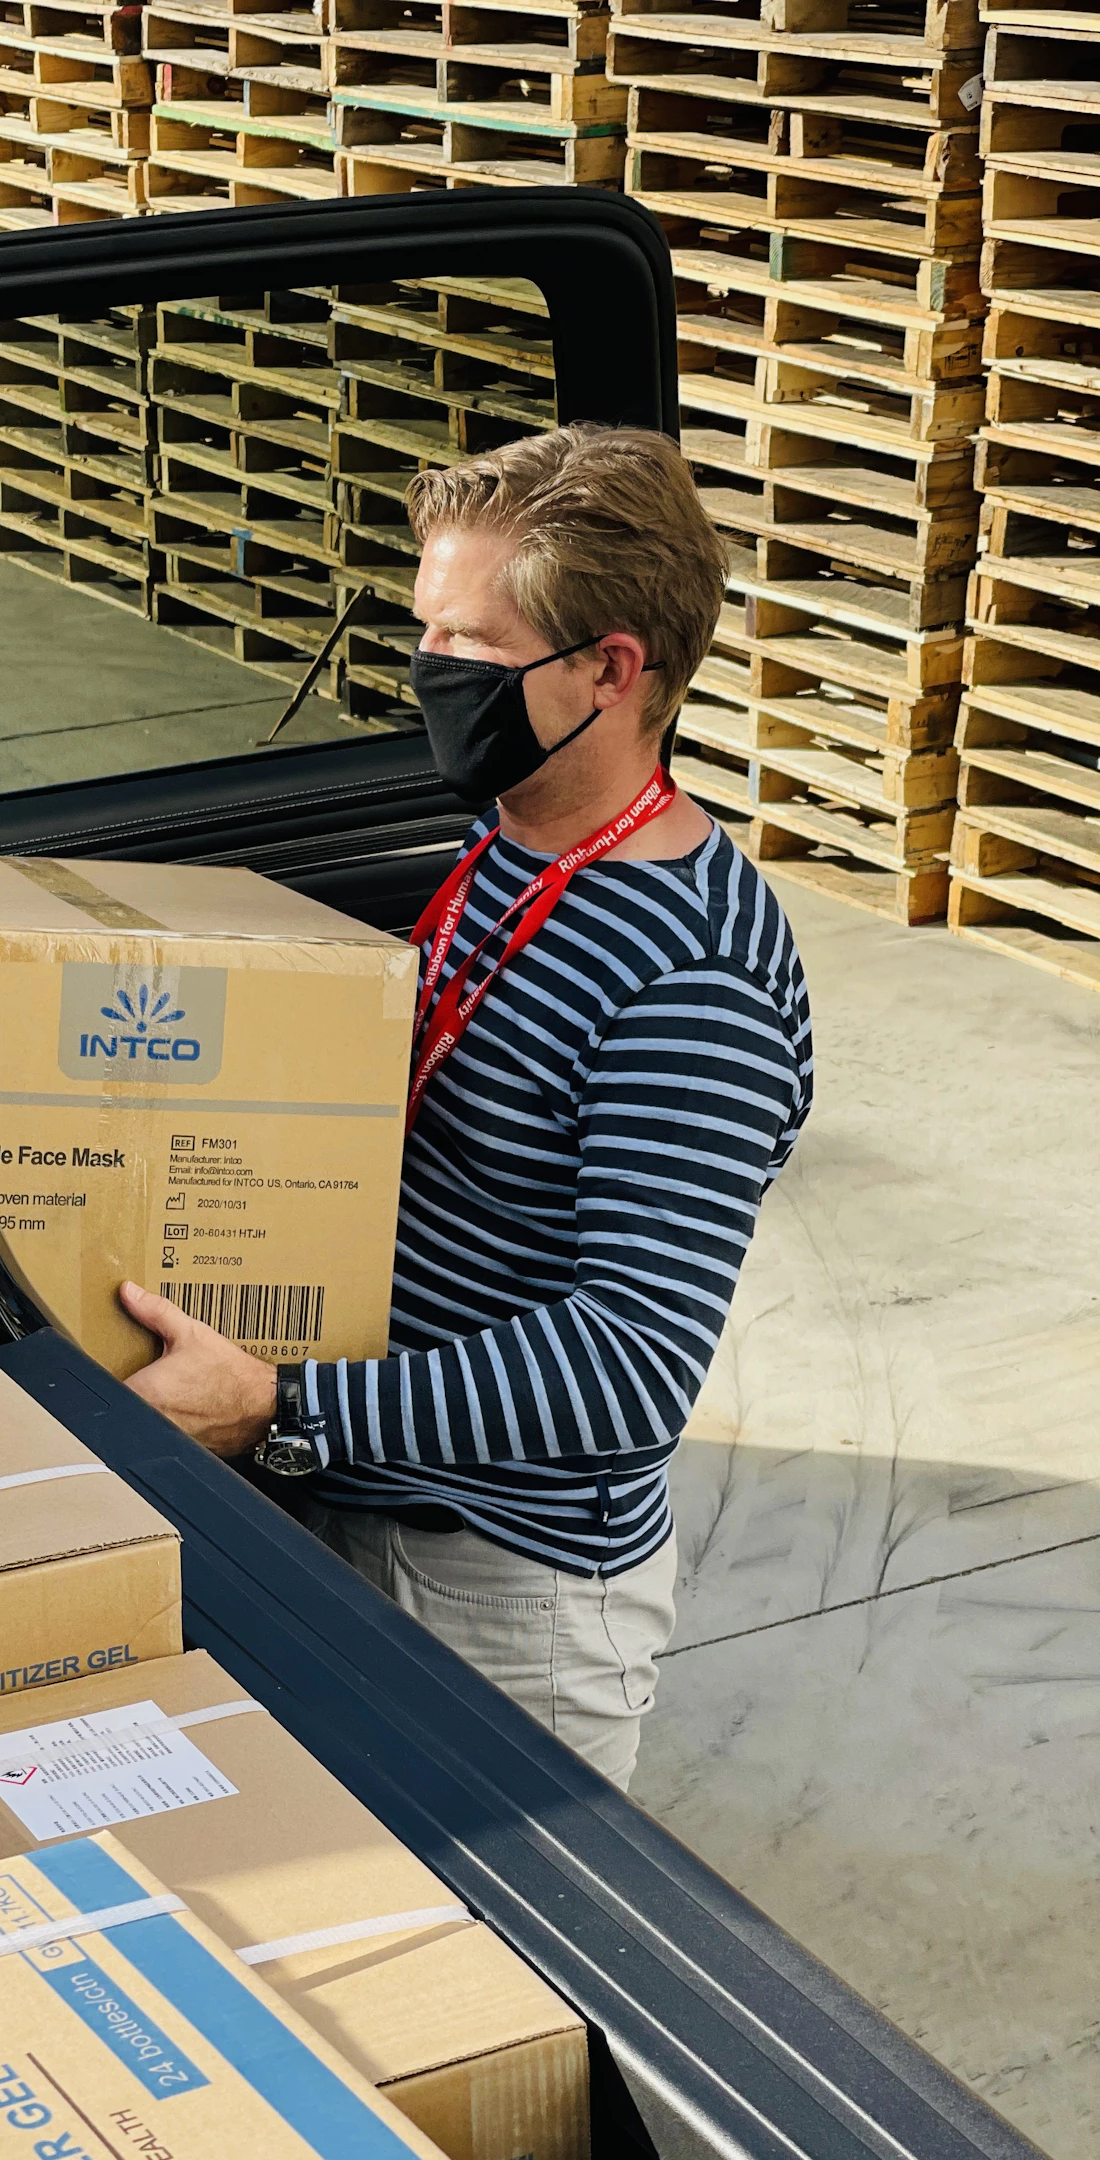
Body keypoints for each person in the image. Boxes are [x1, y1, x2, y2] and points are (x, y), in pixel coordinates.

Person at [116, 423, 813, 1791]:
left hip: (494, 1591)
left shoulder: (691, 978)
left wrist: (279, 1405)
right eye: (423, 632)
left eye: (470, 653)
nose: (428, 676)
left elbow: (630, 1362)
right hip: (350, 1499)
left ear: (611, 670)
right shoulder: (510, 838)